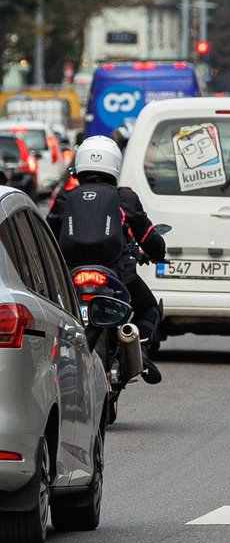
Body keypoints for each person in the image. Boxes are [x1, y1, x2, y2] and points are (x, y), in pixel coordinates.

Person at [47, 135, 166, 384]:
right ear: (114, 166)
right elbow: (149, 237)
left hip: (70, 276)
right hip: (116, 275)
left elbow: (47, 237)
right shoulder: (125, 198)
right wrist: (157, 253)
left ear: (79, 165)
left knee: (53, 315)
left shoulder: (65, 198)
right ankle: (140, 353)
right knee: (149, 308)